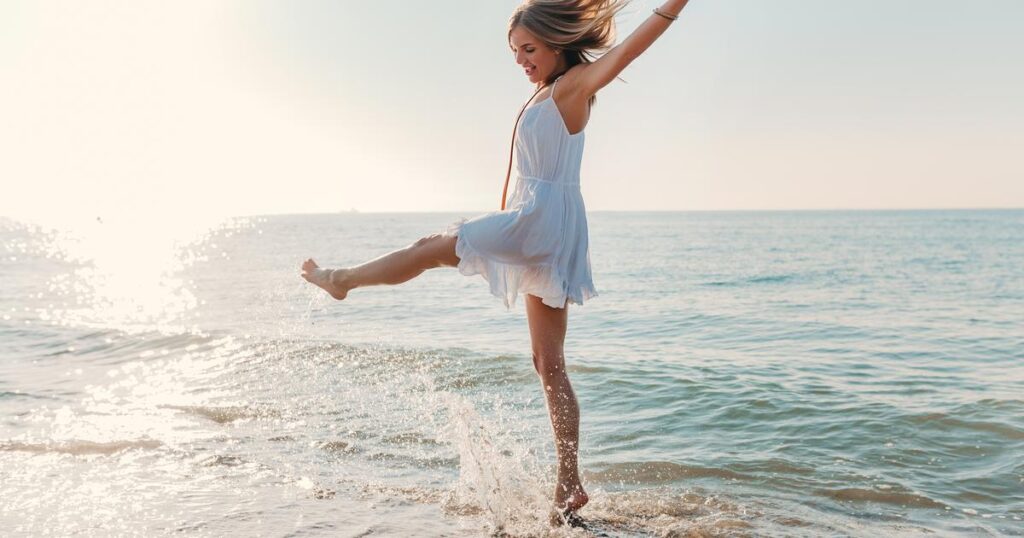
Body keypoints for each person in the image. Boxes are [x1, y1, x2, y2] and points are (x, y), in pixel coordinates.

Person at [301, 0, 690, 526]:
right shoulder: (545, 94)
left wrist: (671, 7)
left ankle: (341, 280)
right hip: (542, 224)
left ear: (557, 42)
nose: (521, 60)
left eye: (529, 49)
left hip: (539, 221)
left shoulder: (572, 86)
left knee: (430, 246)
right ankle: (569, 484)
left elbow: (627, 52)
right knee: (547, 363)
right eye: (514, 52)